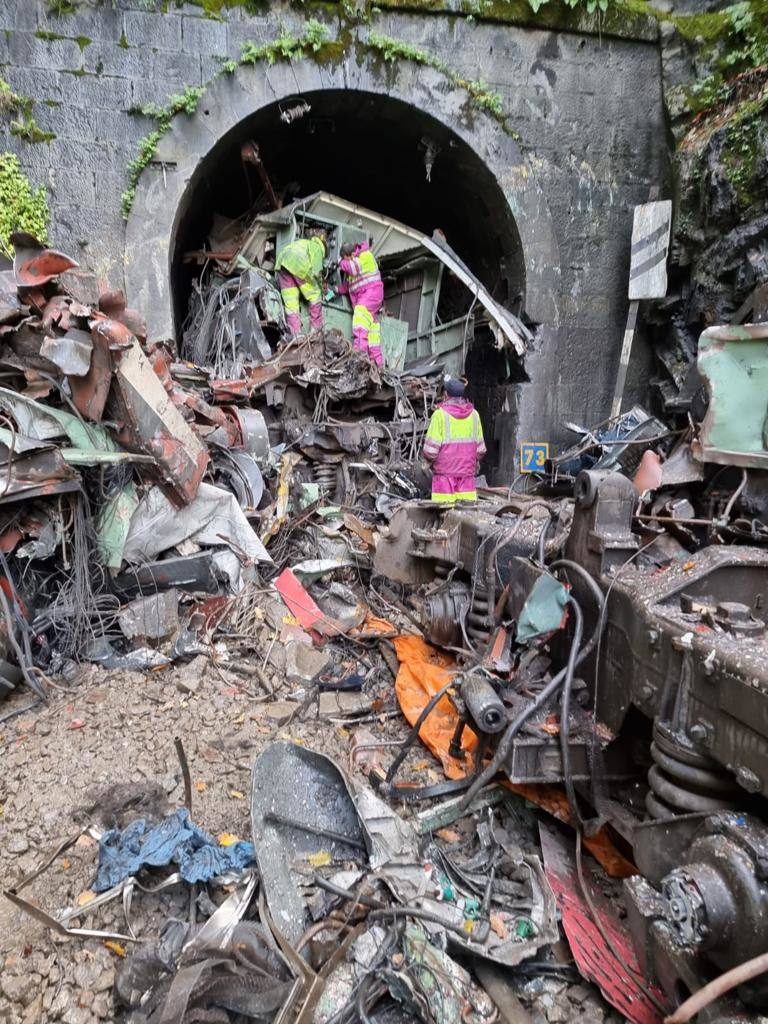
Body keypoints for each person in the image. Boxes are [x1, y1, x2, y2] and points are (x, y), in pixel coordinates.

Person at [423, 377, 486, 503]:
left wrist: (427, 464)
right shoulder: (474, 415)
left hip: (444, 481)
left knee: (444, 517)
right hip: (467, 479)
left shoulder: (439, 415)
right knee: (465, 517)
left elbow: (430, 451)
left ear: (446, 394)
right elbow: (481, 450)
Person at [336, 239, 384, 367]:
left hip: (370, 294)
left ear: (349, 256)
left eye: (345, 259)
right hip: (372, 298)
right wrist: (335, 290)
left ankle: (359, 360)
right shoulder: (356, 262)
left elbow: (352, 268)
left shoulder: (364, 256)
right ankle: (378, 367)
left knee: (359, 322)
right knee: (373, 336)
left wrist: (340, 261)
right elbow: (351, 286)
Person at [275, 230, 327, 337]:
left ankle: (296, 336)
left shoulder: (303, 242)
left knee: (291, 303)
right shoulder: (317, 248)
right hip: (298, 264)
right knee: (315, 295)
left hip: (282, 264)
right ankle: (316, 331)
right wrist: (322, 289)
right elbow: (317, 272)